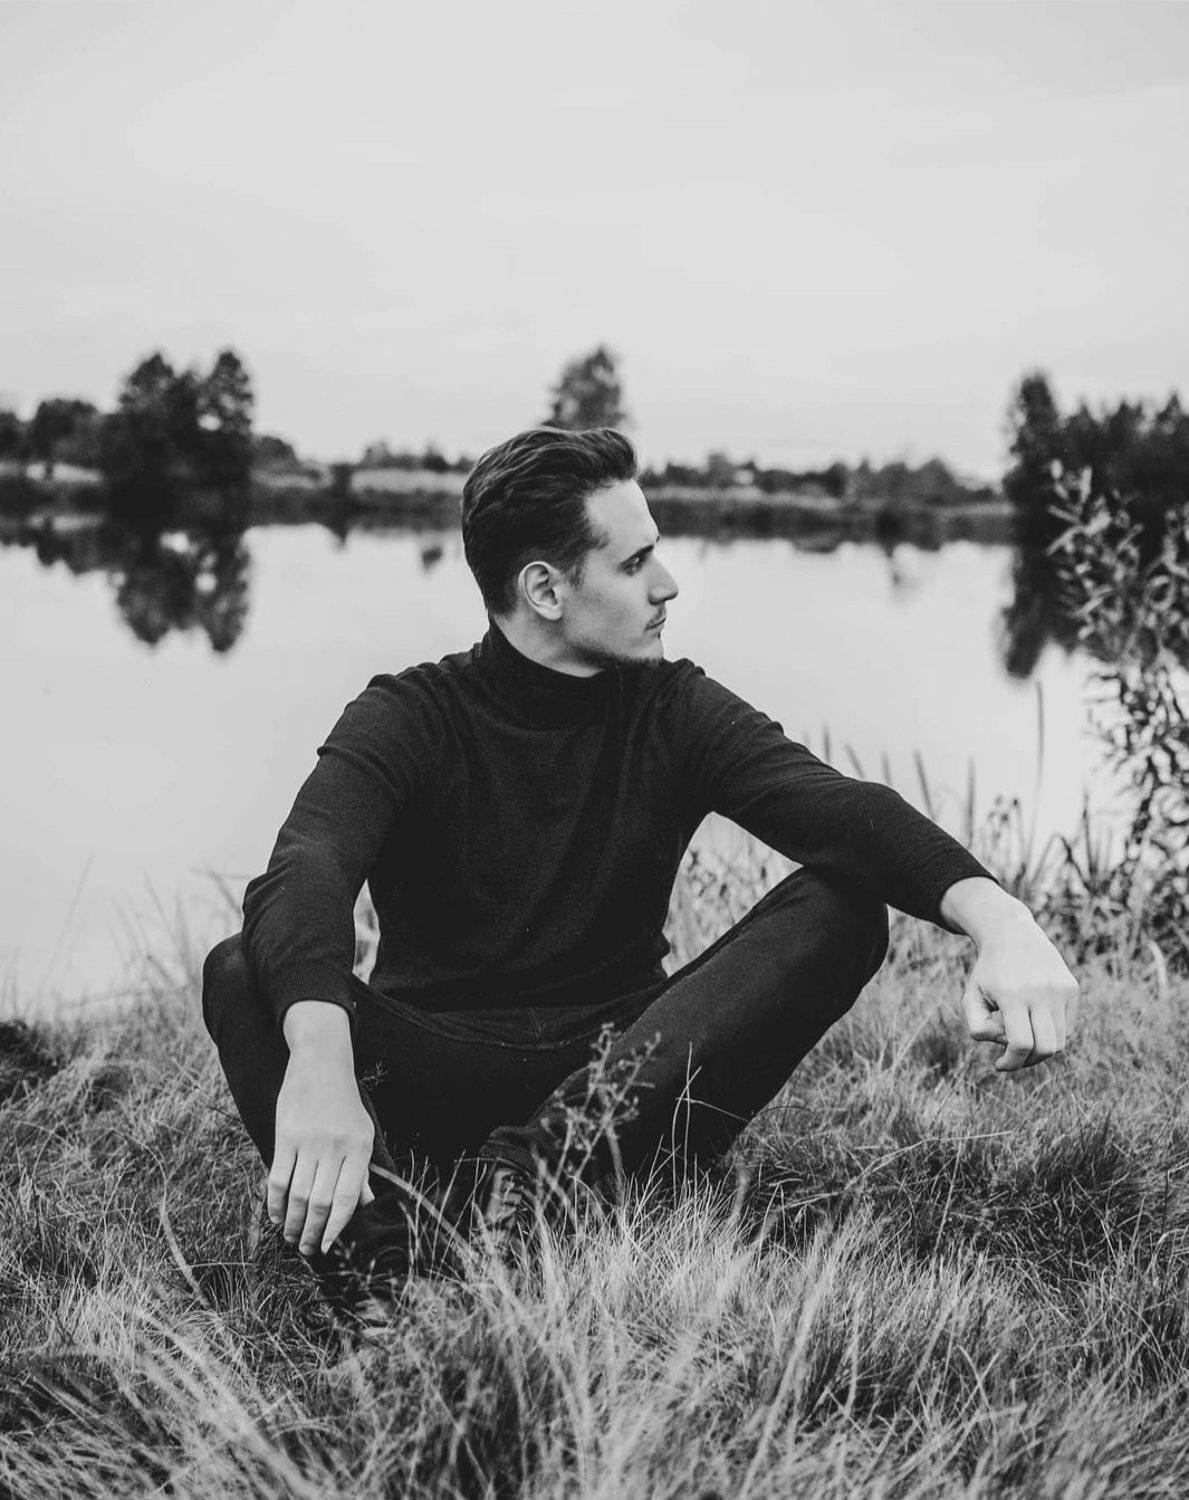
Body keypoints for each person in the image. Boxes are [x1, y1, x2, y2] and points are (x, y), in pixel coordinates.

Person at [201, 426, 1078, 1307]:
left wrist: (1000, 920)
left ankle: (534, 1191)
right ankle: (384, 1288)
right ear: (544, 589)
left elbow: (840, 812)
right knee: (241, 971)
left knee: (841, 908)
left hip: (625, 1085)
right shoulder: (409, 714)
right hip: (435, 1076)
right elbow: (306, 870)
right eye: (632, 564)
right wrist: (320, 1058)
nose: (666, 584)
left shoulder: (671, 707)